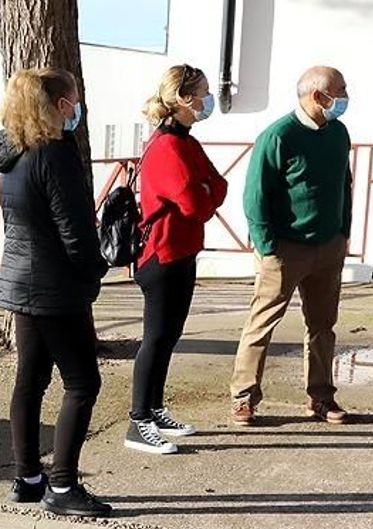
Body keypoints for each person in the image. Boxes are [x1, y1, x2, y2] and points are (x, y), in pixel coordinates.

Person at [0, 67, 111, 517]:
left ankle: (27, 478)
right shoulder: (55, 155)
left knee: (31, 379)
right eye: (75, 100)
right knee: (82, 382)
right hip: (55, 287)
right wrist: (96, 270)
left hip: (20, 281)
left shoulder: (12, 154)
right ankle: (62, 485)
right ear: (60, 105)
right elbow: (75, 231)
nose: (78, 109)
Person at [229, 67, 354, 428]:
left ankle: (321, 397)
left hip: (328, 247)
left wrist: (343, 231)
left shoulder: (339, 132)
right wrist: (268, 247)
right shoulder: (278, 135)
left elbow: (344, 183)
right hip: (285, 249)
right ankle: (243, 396)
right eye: (340, 90)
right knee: (262, 322)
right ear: (318, 96)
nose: (345, 97)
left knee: (323, 325)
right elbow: (255, 196)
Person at [127, 64, 229, 455]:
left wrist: (205, 190)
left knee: (169, 335)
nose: (208, 99)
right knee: (155, 337)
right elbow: (195, 203)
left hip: (183, 250)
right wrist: (204, 191)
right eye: (203, 93)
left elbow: (218, 185)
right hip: (162, 254)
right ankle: (138, 421)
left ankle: (154, 409)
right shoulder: (168, 146)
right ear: (185, 99)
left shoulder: (187, 141)